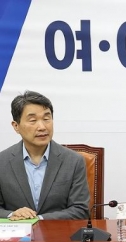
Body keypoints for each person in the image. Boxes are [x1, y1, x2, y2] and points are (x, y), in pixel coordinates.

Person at [0, 91, 89, 220]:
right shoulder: (2, 162)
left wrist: (39, 219)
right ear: (16, 126)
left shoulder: (73, 161)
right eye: (33, 120)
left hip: (58, 236)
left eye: (47, 119)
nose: (42, 127)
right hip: (15, 237)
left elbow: (80, 210)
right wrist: (12, 214)